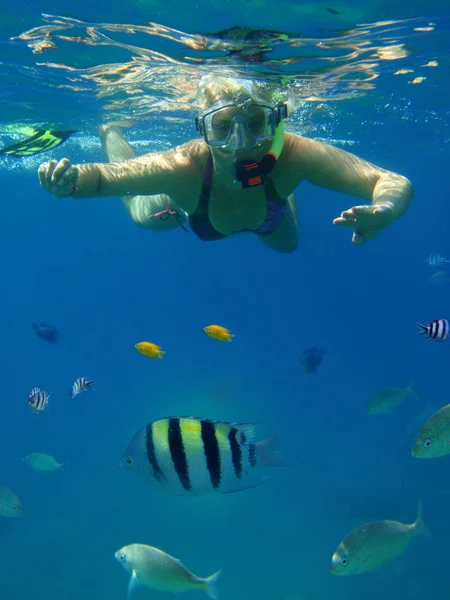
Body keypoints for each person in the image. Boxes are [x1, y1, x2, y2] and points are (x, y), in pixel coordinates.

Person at [38, 73, 413, 253]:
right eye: (222, 128)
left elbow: (390, 180)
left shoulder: (295, 153)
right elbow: (105, 178)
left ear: (276, 121)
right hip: (193, 205)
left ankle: (282, 196)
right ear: (202, 130)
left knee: (289, 247)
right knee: (141, 214)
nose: (241, 144)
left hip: (269, 210)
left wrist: (385, 210)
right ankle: (110, 131)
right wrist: (71, 181)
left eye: (255, 124)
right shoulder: (181, 166)